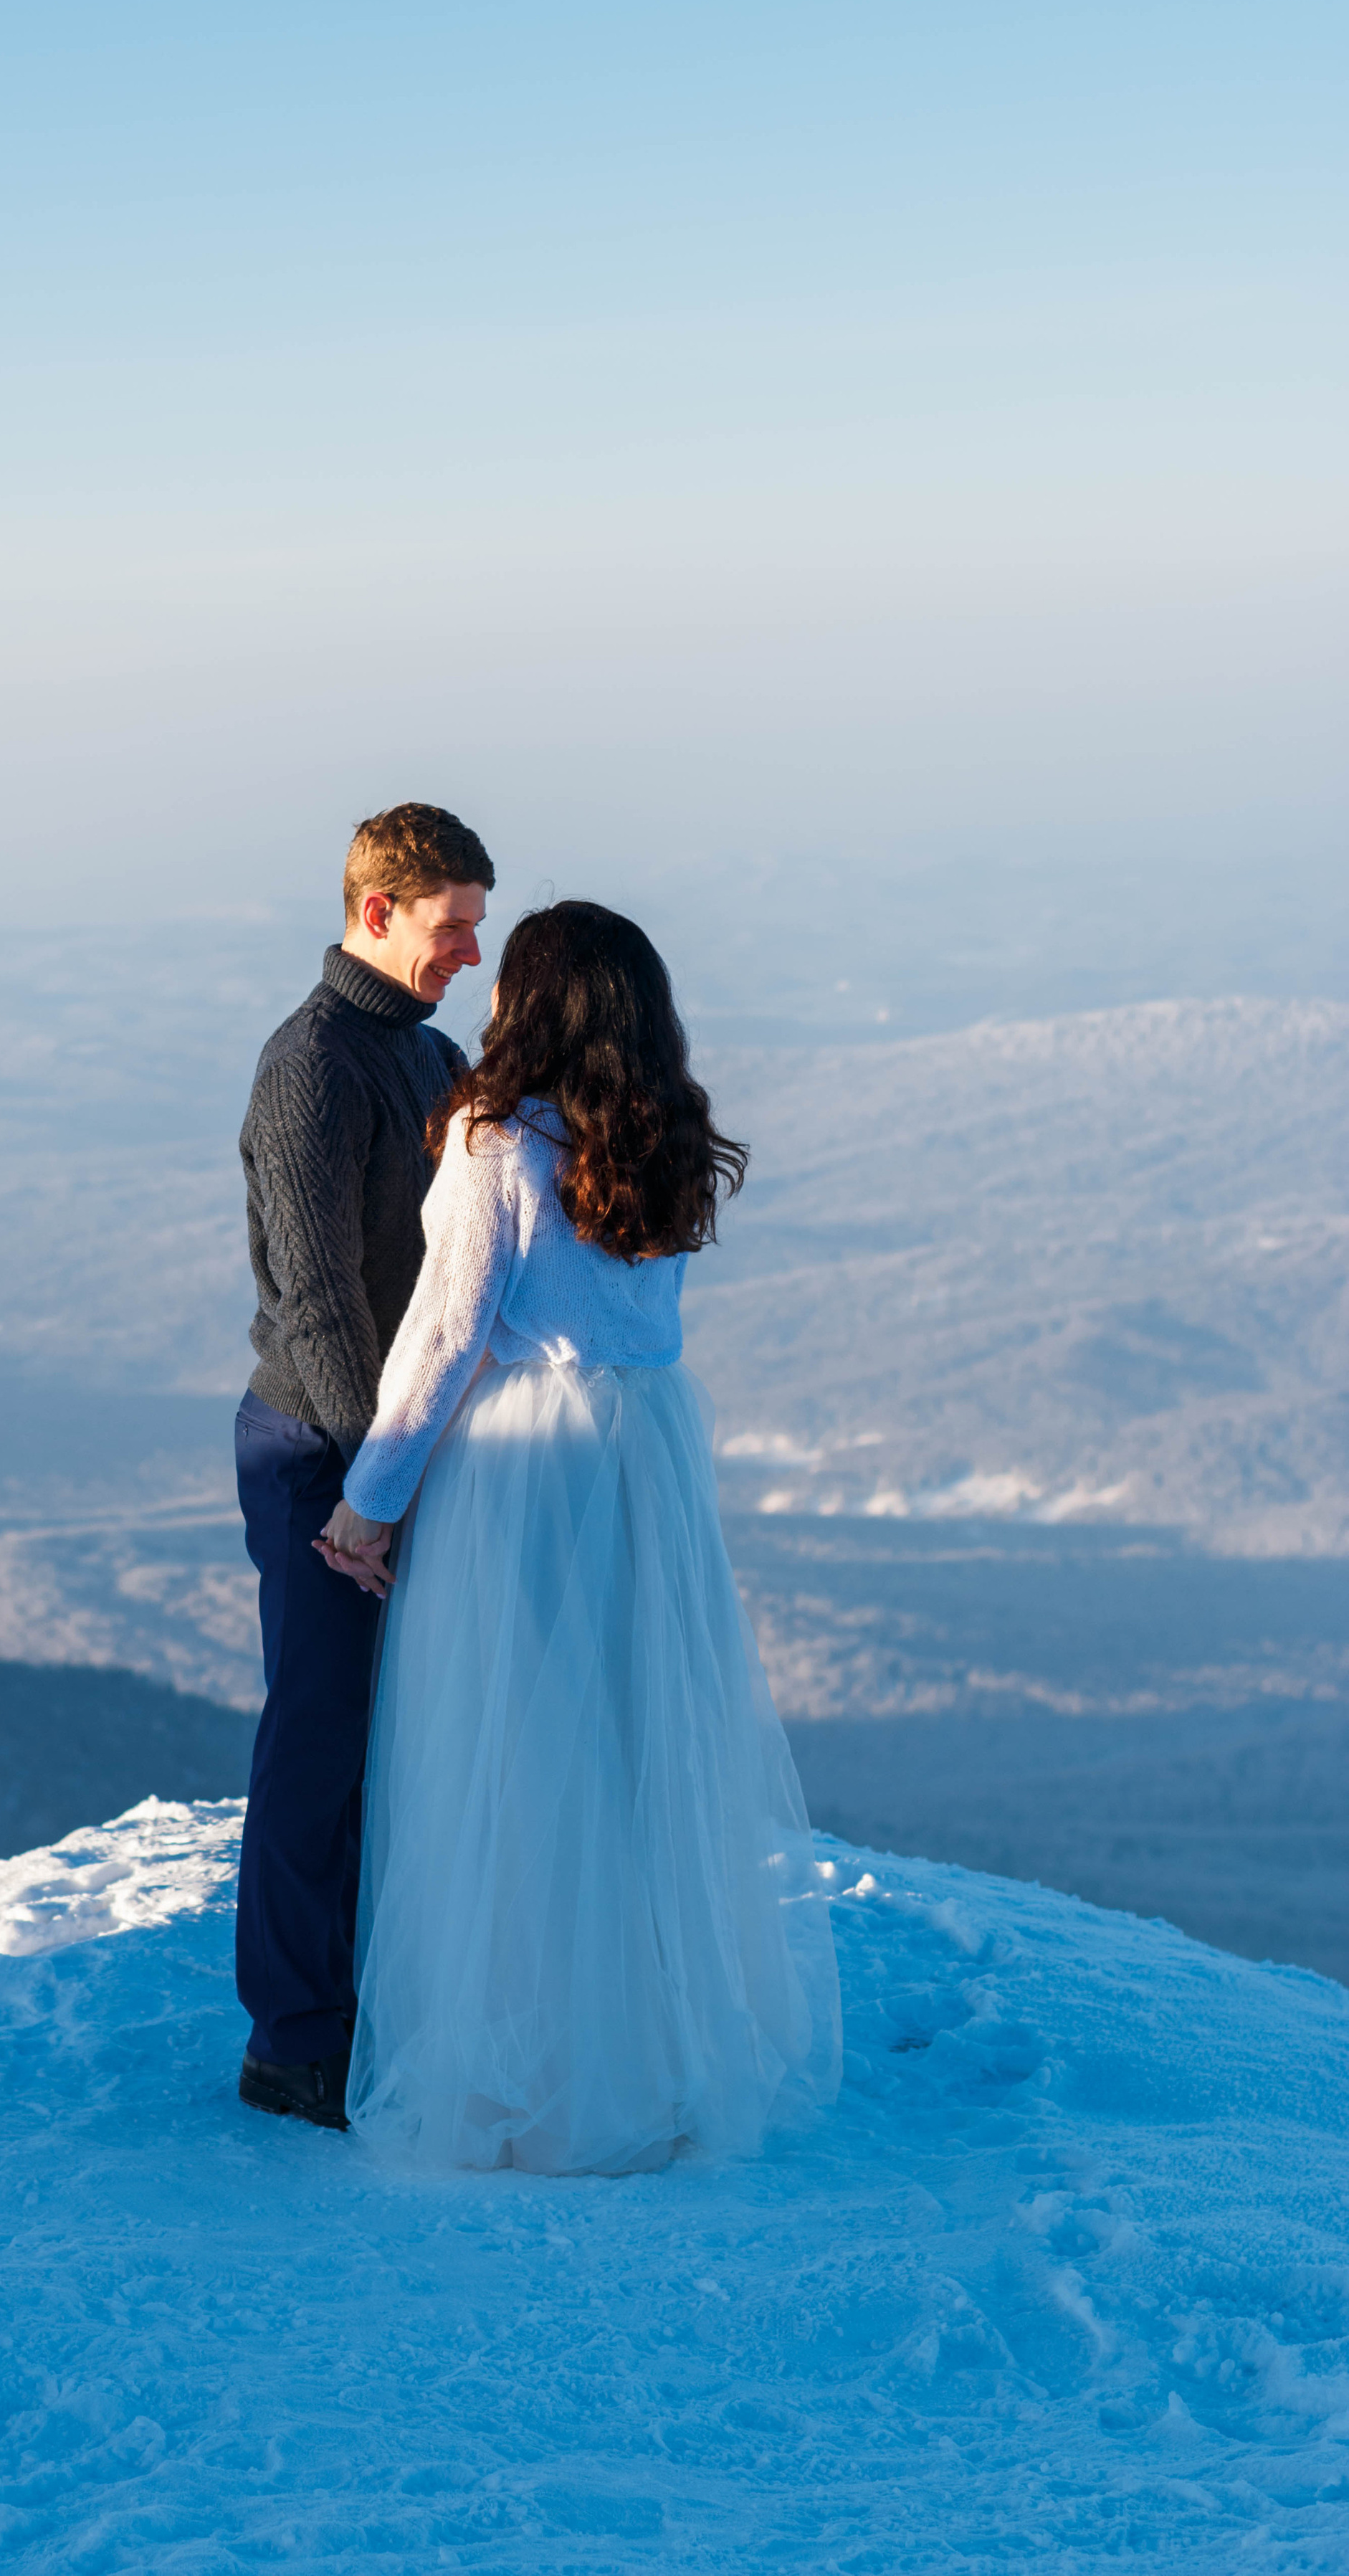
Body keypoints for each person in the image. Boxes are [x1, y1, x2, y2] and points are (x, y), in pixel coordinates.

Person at [324, 900, 842, 2174]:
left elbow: (443, 1339)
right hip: (645, 1456)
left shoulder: (500, 1144)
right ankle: (648, 2053)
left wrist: (368, 1501)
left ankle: (530, 2075)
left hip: (529, 1468)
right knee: (626, 1753)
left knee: (509, 1757)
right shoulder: (657, 1139)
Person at [234, 802, 495, 2130]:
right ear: (378, 910)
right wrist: (362, 1500)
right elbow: (321, 1302)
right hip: (318, 1454)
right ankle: (292, 2043)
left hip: (384, 1458)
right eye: (451, 926)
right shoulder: (314, 1069)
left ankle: (360, 2007)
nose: (468, 951)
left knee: (390, 1738)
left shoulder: (420, 1050)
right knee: (319, 1738)